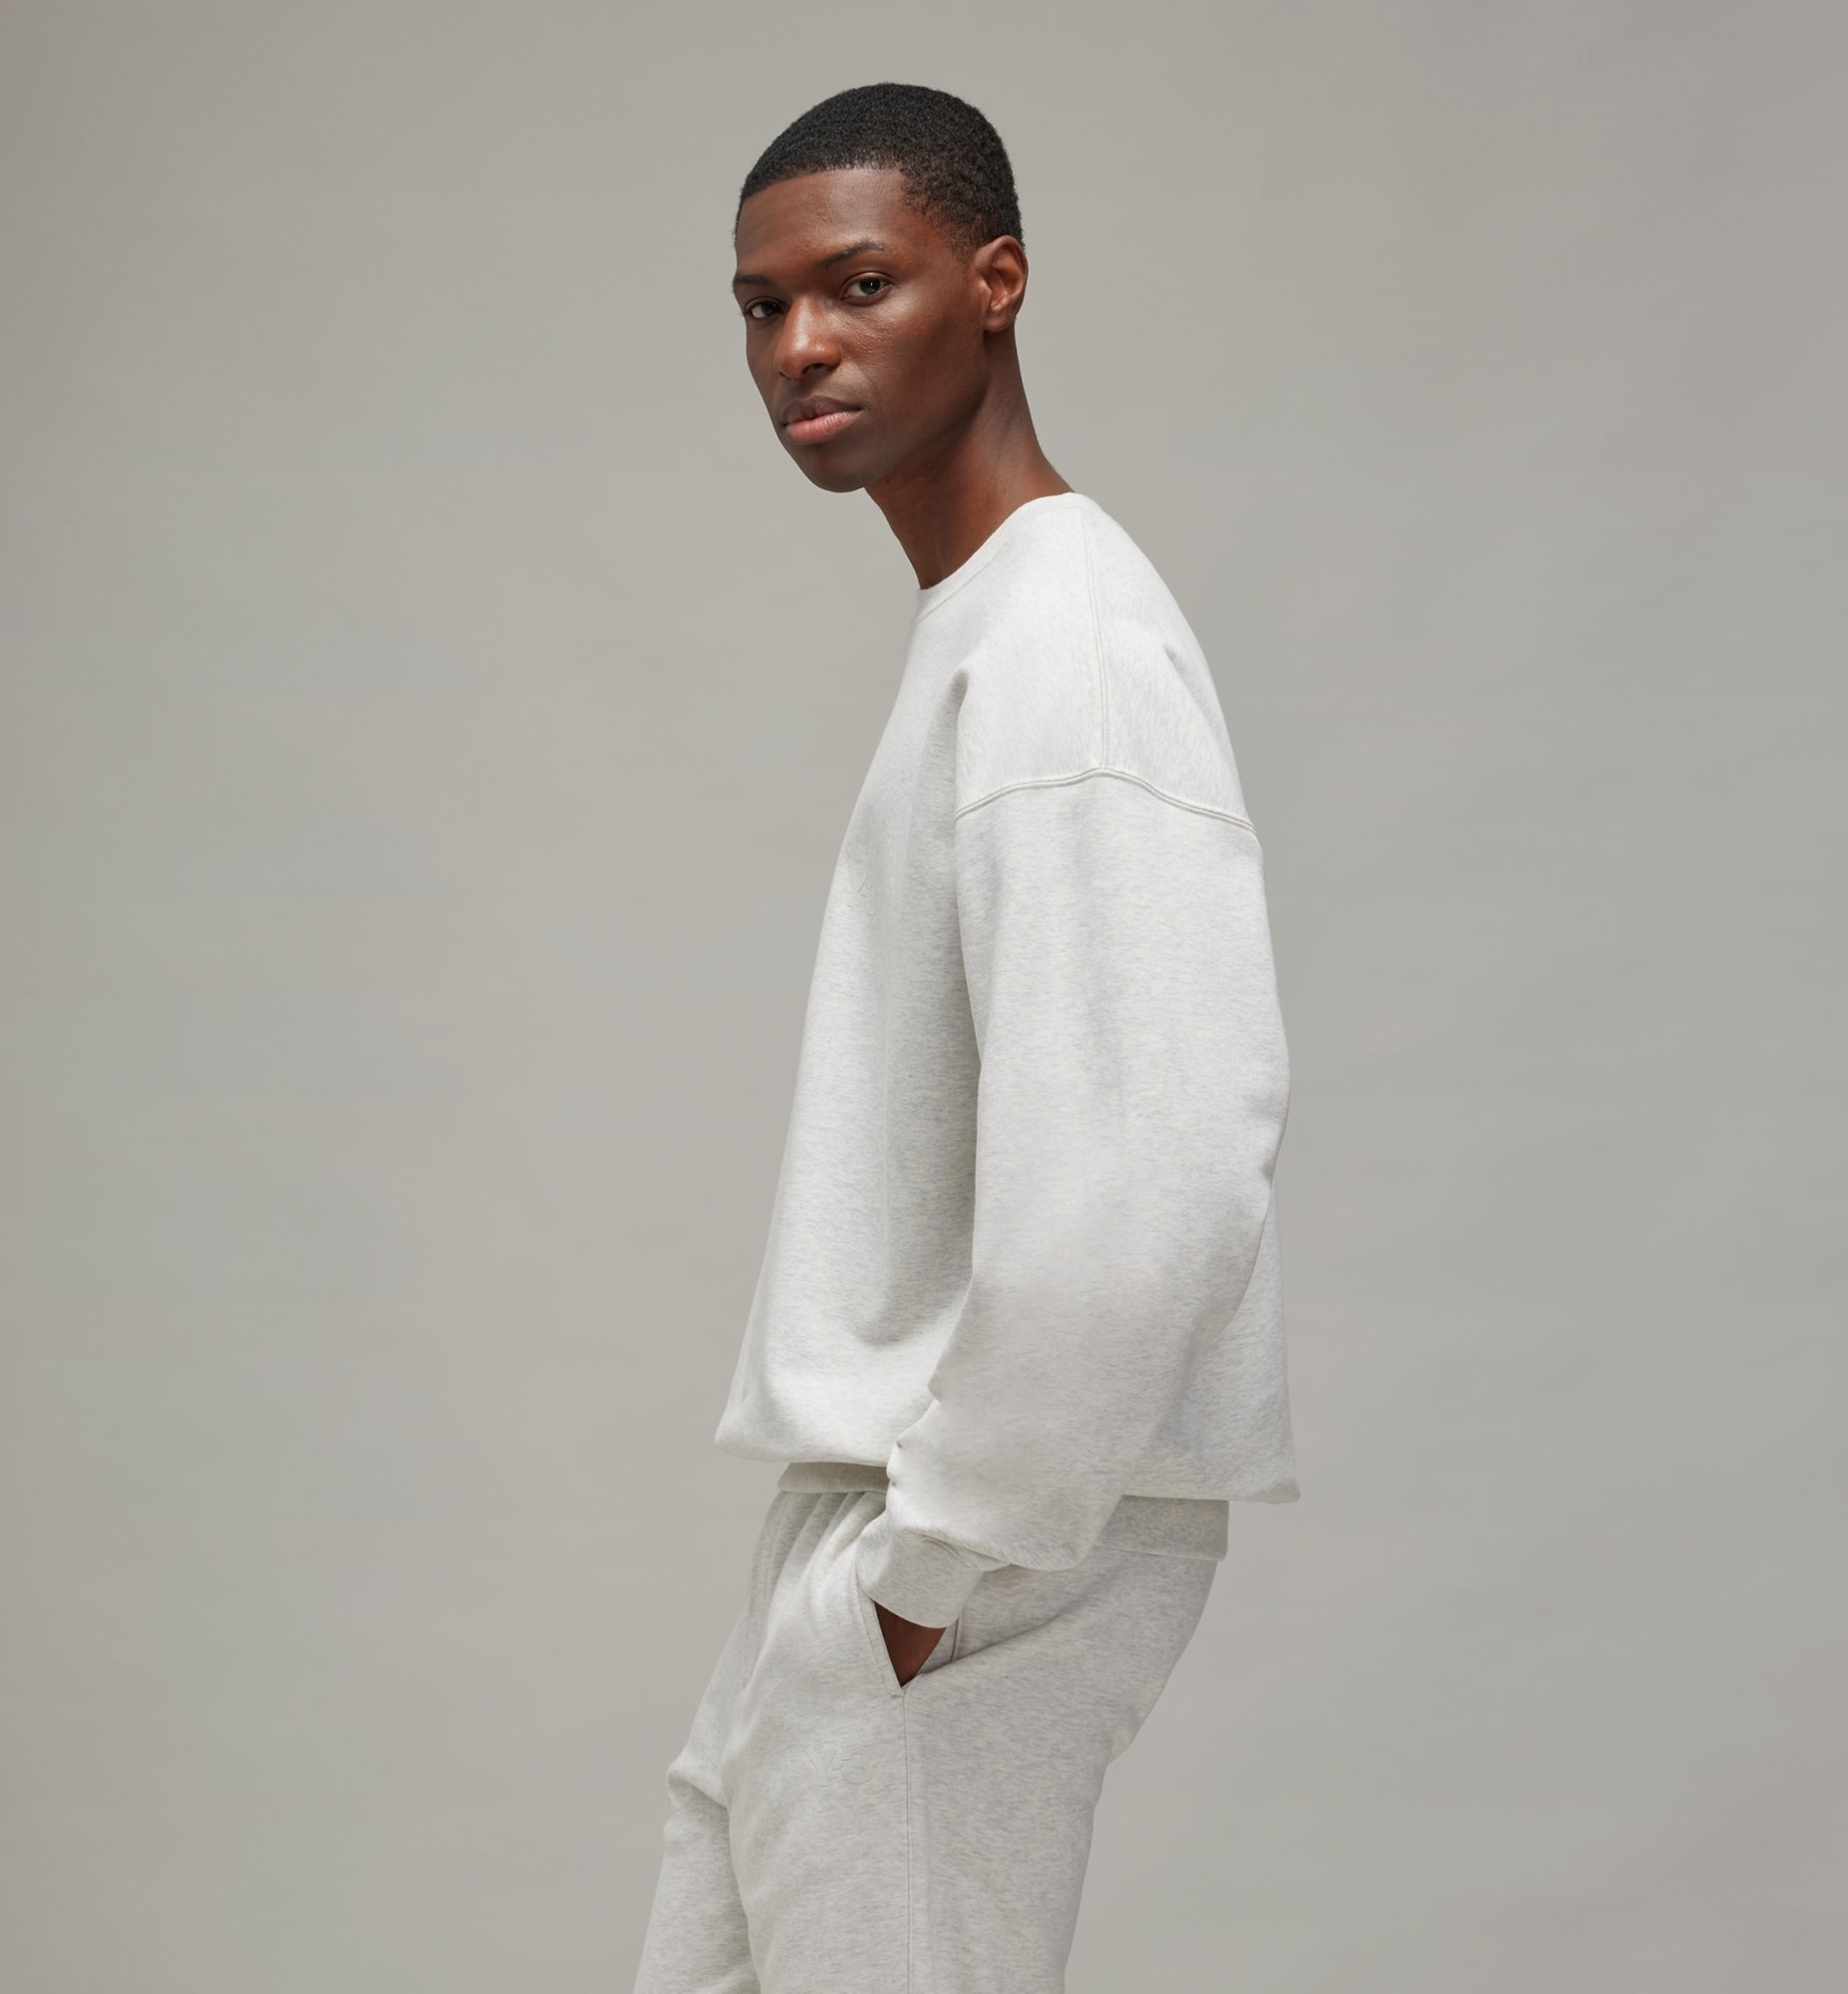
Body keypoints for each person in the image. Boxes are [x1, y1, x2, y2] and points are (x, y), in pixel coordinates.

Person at [631, 82, 1295, 1994]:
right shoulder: (991, 625)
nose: (800, 345)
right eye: (761, 305)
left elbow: (1158, 1162)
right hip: (870, 1525)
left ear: (995, 282)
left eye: (860, 285)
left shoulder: (1064, 647)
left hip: (961, 1546)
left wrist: (935, 1569)